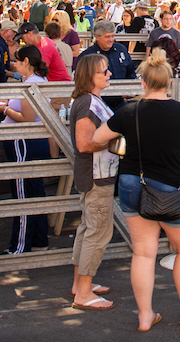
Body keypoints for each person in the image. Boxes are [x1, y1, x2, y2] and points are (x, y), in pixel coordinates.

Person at [92, 48, 180, 329]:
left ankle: (145, 315)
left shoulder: (129, 111)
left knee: (143, 252)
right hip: (172, 188)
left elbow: (98, 137)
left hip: (132, 184)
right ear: (169, 82)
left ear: (143, 83)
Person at [68, 54, 119, 310]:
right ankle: (84, 291)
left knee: (89, 228)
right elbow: (84, 143)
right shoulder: (88, 103)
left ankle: (81, 284)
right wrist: (115, 142)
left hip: (97, 175)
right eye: (103, 71)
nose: (109, 74)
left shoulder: (90, 100)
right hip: (96, 177)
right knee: (97, 231)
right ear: (90, 76)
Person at [0, 46, 52, 255]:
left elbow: (27, 118)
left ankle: (19, 246)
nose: (14, 65)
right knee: (34, 191)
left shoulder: (30, 84)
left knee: (22, 194)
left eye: (17, 62)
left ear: (26, 61)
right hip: (32, 142)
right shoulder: (38, 81)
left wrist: (5, 109)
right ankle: (38, 240)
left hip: (23, 142)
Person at [78, 21, 137, 109]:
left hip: (120, 104)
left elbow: (131, 72)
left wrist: (129, 90)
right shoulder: (87, 57)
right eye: (107, 37)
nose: (111, 39)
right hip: (97, 105)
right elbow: (82, 82)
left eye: (112, 36)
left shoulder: (121, 50)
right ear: (97, 37)